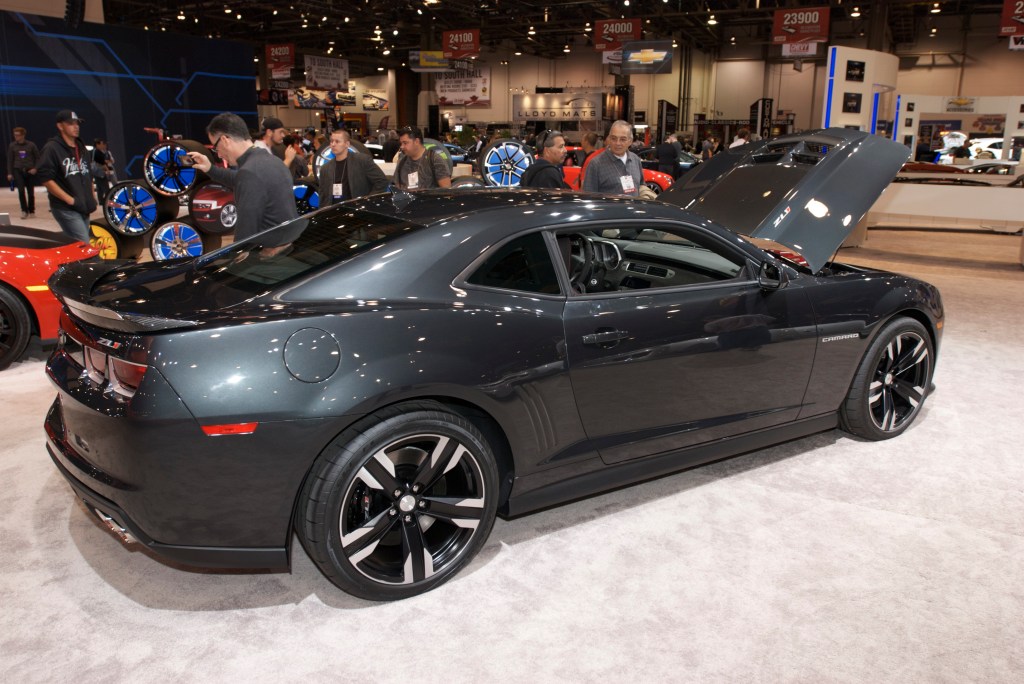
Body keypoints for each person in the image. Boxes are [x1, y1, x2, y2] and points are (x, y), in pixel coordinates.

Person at [185, 112, 297, 243]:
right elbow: (237, 178)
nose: (219, 155)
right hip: (287, 245)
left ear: (225, 140)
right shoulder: (272, 161)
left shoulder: (249, 173)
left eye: (216, 148)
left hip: (268, 254)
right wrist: (210, 168)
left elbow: (246, 233)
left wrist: (236, 258)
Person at [35, 110, 96, 242]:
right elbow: (45, 179)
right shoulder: (52, 148)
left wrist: (92, 198)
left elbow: (88, 174)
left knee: (80, 246)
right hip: (66, 208)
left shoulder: (81, 147)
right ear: (60, 126)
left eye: (77, 123)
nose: (76, 126)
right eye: (71, 123)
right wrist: (70, 200)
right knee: (83, 244)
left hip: (83, 206)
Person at [317, 128, 389, 207]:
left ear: (347, 144)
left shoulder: (362, 161)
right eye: (331, 141)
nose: (333, 144)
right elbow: (323, 195)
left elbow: (381, 181)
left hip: (358, 212)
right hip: (334, 213)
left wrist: (368, 201)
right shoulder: (325, 168)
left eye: (337, 141)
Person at [581, 120, 644, 197]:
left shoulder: (635, 160)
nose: (618, 143)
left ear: (630, 141)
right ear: (609, 140)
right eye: (614, 138)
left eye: (622, 139)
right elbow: (588, 196)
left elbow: (641, 186)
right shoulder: (595, 164)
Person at [6, 127, 39, 219]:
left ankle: (31, 210)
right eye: (15, 135)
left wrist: (35, 168)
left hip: (30, 170)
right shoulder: (12, 146)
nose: (16, 137)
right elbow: (10, 160)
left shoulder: (31, 145)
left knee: (31, 192)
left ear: (23, 135)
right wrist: (9, 173)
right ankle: (24, 211)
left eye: (18, 135)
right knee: (21, 191)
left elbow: (38, 158)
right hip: (18, 170)